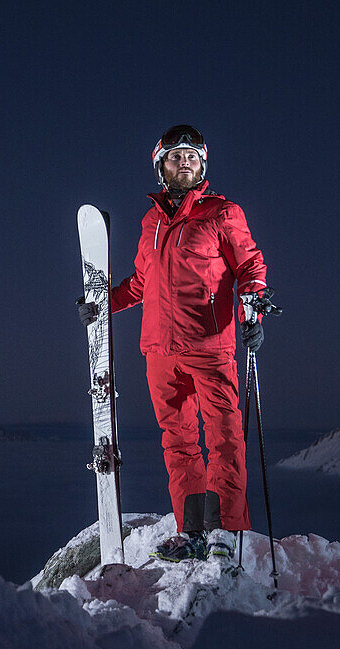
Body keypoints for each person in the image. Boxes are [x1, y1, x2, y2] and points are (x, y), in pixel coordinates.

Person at [78, 124, 269, 564]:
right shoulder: (152, 222)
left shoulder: (223, 212)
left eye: (192, 156)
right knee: (178, 443)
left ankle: (223, 531)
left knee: (224, 438)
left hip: (209, 346)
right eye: (175, 156)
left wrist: (254, 305)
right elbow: (143, 283)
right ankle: (193, 530)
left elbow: (250, 264)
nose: (184, 161)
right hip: (160, 353)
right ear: (160, 165)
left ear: (202, 165)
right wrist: (103, 304)